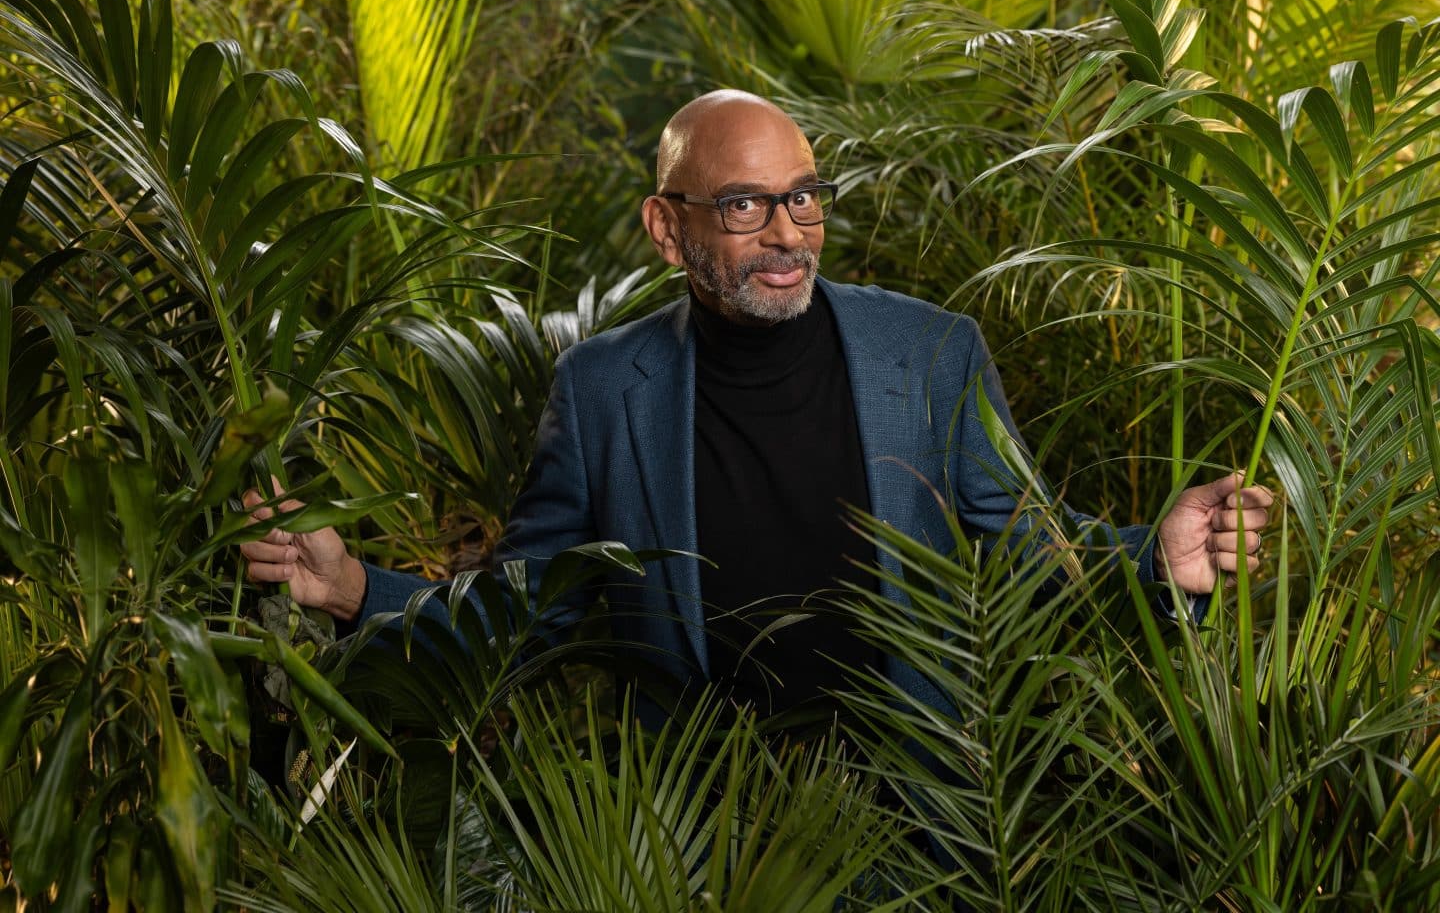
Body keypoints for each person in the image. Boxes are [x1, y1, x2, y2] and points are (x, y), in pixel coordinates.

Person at [240, 90, 1274, 723]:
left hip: (912, 815)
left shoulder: (932, 353)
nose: (789, 232)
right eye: (745, 204)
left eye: (806, 195)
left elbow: (1027, 549)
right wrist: (353, 589)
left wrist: (1154, 560)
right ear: (665, 225)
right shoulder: (601, 389)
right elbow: (531, 607)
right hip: (702, 825)